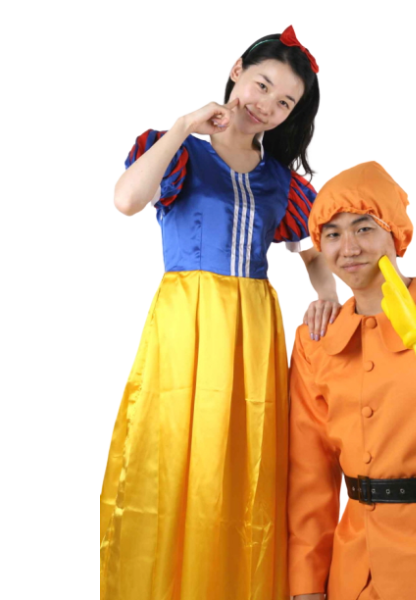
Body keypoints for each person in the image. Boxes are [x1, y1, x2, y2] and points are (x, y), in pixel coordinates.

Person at [101, 24, 342, 600]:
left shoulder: (282, 180)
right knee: (173, 453)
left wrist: (327, 293)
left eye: (284, 103)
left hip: (252, 327)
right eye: (262, 85)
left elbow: (311, 249)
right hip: (186, 319)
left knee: (244, 460)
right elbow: (127, 201)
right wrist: (185, 124)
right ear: (236, 71)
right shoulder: (178, 148)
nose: (267, 106)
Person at [288, 159, 416, 600]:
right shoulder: (315, 341)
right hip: (357, 568)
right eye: (333, 234)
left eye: (364, 228)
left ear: (396, 234)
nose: (349, 247)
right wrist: (306, 583)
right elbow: (309, 472)